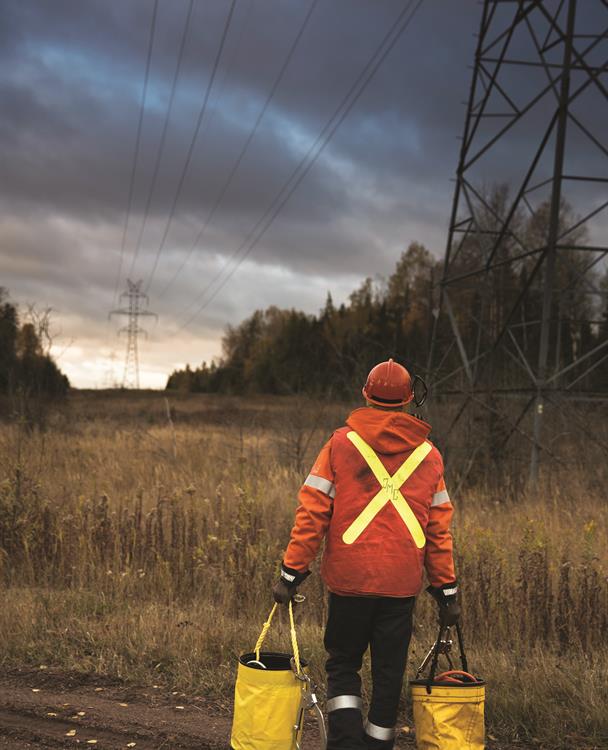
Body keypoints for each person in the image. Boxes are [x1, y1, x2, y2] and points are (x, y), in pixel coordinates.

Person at [273, 358, 459, 750]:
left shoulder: (340, 444)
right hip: (400, 587)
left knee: (343, 664)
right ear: (410, 399)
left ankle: (343, 743)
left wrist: (292, 572)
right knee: (389, 673)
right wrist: (447, 591)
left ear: (366, 395)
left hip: (349, 582)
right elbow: (439, 532)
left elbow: (311, 513)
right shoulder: (430, 456)